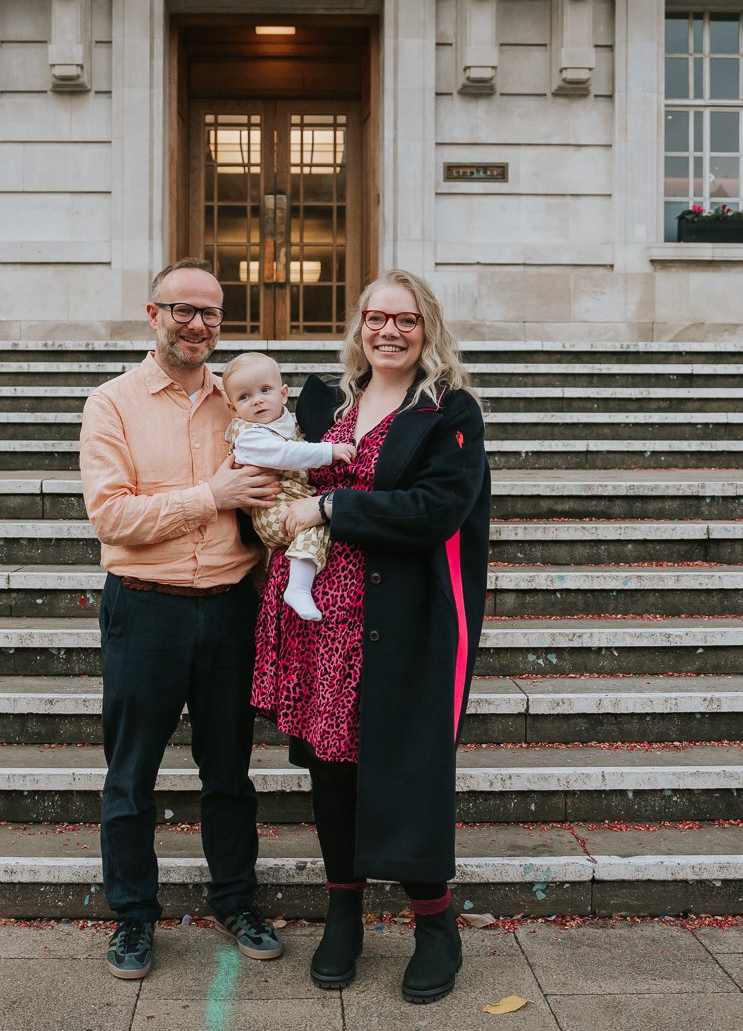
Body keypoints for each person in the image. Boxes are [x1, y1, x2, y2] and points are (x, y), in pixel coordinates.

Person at [250, 269, 491, 1004]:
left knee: (411, 771)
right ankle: (344, 912)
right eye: (376, 317)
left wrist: (329, 506)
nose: (390, 331)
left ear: (428, 329)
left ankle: (435, 923)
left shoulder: (449, 411)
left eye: (406, 320)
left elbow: (434, 510)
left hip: (404, 620)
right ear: (358, 326)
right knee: (331, 768)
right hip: (324, 618)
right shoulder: (327, 403)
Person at [79, 258, 286, 980]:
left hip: (231, 609)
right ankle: (133, 917)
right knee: (130, 775)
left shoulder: (240, 401)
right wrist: (210, 493)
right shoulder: (111, 403)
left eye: (210, 314)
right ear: (153, 313)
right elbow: (112, 516)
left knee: (229, 773)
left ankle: (236, 900)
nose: (197, 325)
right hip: (146, 609)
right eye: (182, 310)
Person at [221, 352, 358, 621]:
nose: (257, 400)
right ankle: (297, 588)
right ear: (233, 408)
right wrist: (327, 451)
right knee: (316, 524)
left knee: (320, 521)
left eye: (265, 390)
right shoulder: (248, 436)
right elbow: (285, 454)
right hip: (272, 512)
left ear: (283, 394)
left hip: (286, 501)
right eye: (244, 397)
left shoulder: (282, 425)